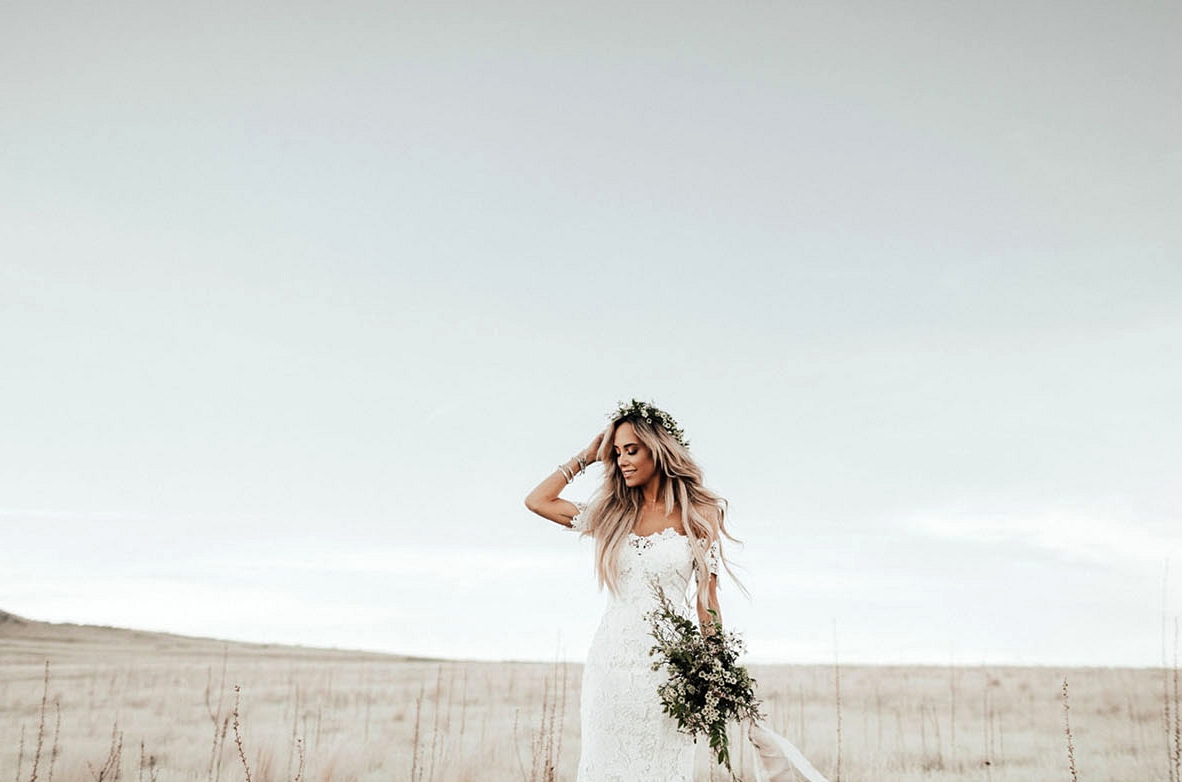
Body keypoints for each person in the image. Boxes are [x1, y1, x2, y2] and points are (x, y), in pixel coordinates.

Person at [524, 399, 745, 781]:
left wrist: (715, 668)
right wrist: (585, 457)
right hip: (610, 663)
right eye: (616, 452)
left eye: (632, 450)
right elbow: (537, 501)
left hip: (670, 665)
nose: (622, 460)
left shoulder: (701, 513)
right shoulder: (611, 513)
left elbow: (707, 603)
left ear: (658, 451)